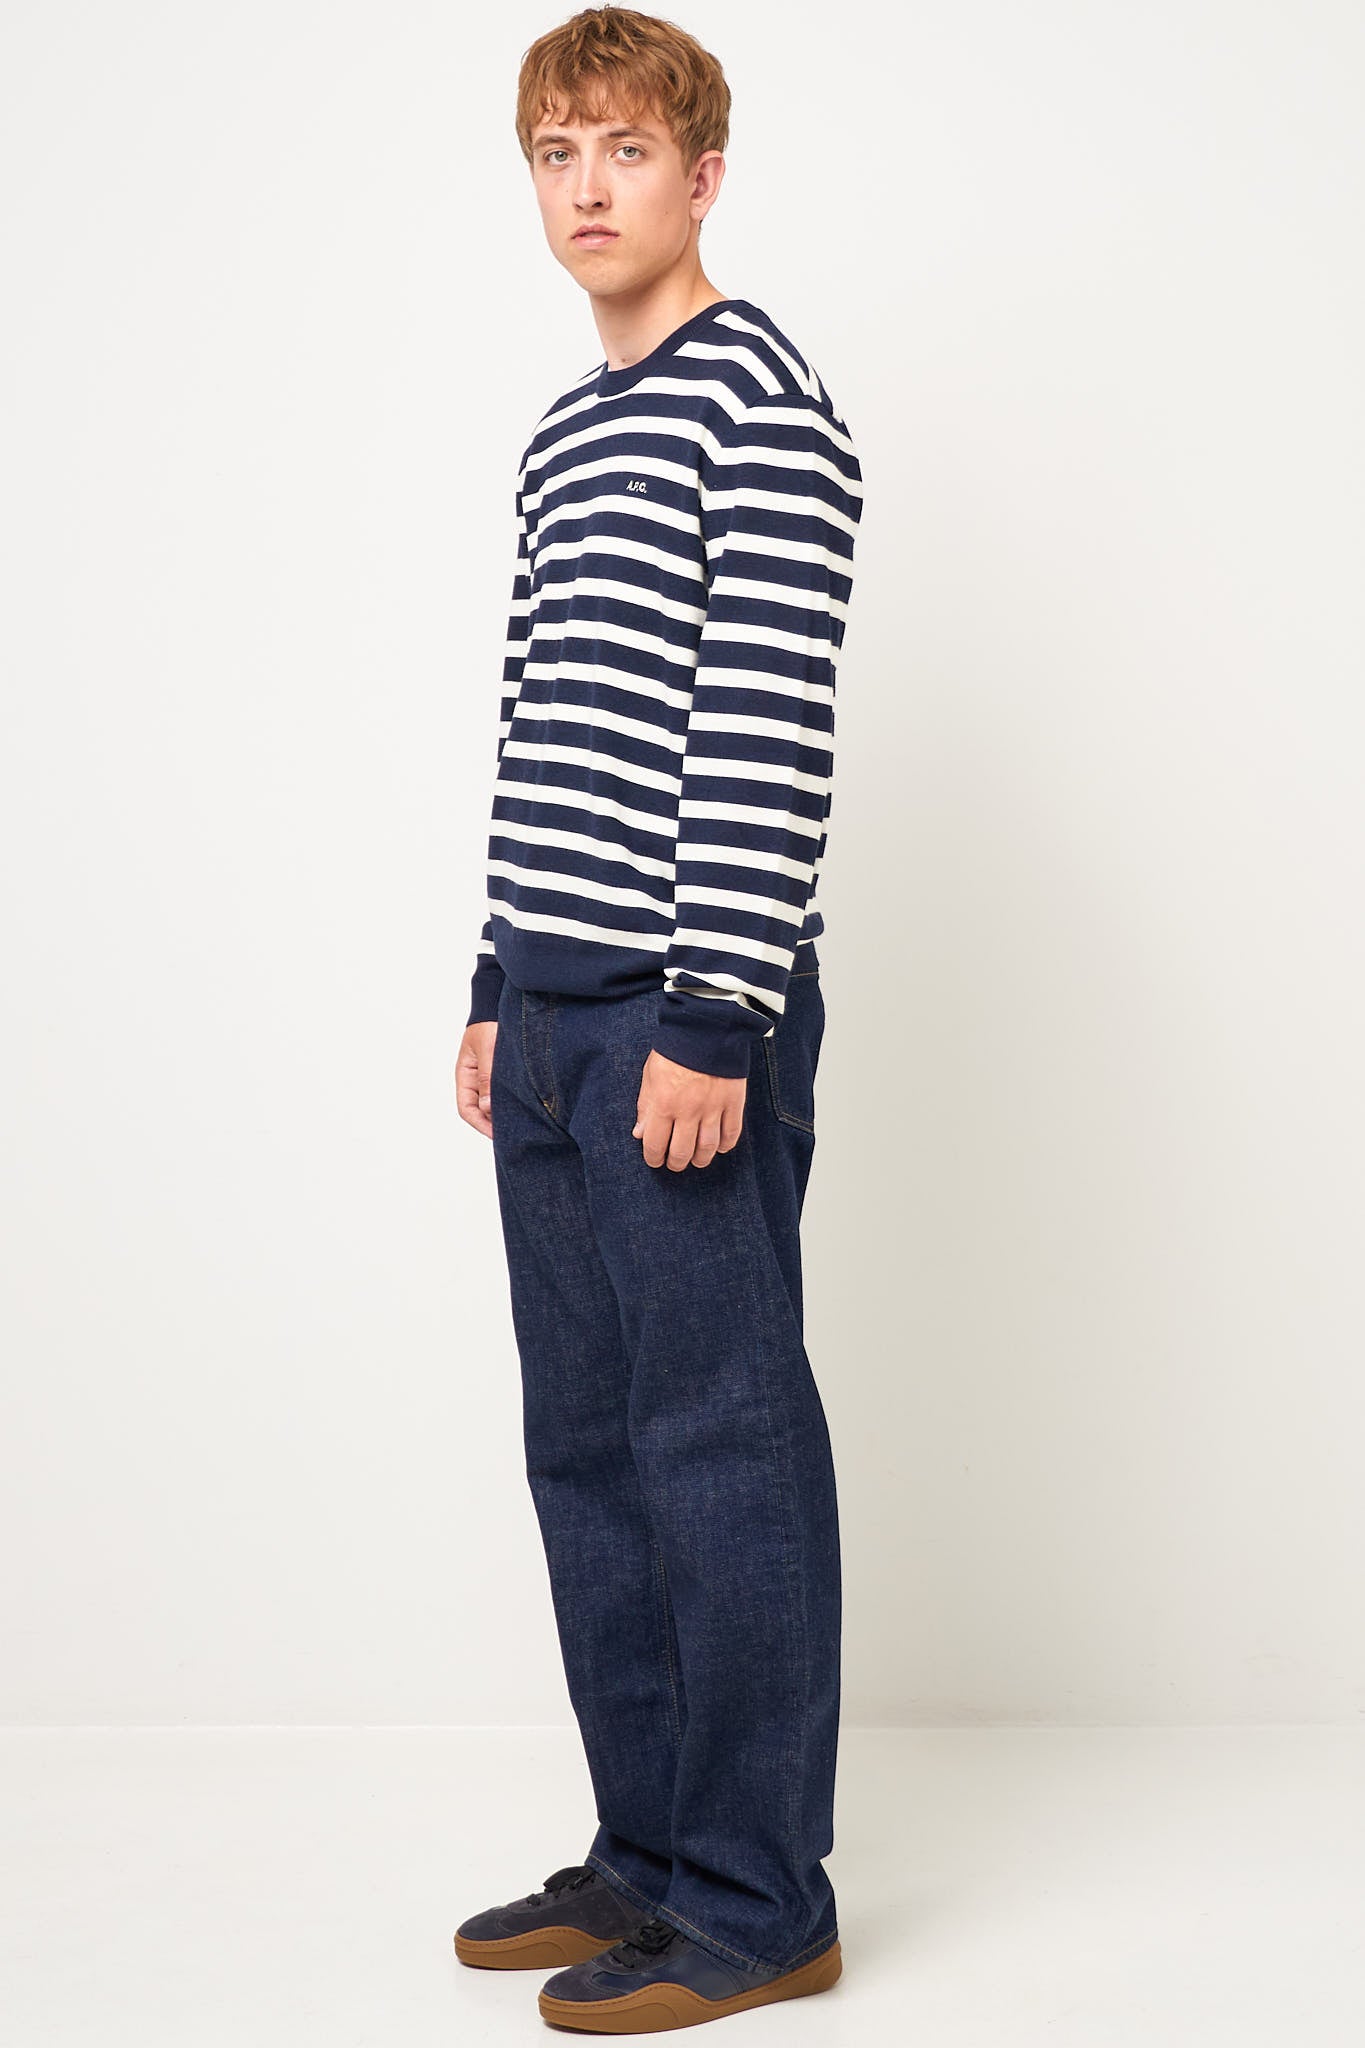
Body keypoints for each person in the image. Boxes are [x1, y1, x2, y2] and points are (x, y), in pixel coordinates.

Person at [452, 6, 863, 2031]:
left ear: (700, 175)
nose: (586, 187)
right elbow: (543, 718)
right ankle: (648, 1848)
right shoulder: (563, 433)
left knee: (716, 1446)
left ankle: (759, 1896)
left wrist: (712, 1012)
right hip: (550, 1014)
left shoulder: (759, 405)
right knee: (590, 1452)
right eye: (556, 151)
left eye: (622, 149)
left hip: (679, 1017)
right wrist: (490, 980)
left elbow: (760, 729)